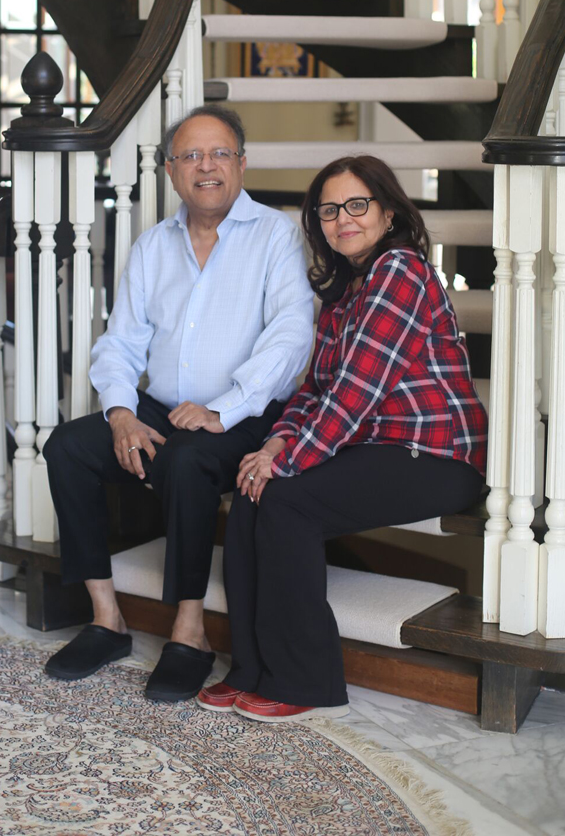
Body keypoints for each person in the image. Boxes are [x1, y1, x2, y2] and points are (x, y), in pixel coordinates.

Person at [197, 154, 487, 722]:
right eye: (329, 210)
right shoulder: (346, 290)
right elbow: (314, 390)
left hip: (436, 454)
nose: (342, 220)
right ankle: (252, 668)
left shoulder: (400, 271)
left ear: (387, 211)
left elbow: (356, 392)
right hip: (377, 448)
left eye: (358, 205)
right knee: (256, 490)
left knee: (285, 500)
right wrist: (275, 445)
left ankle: (305, 680)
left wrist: (288, 463)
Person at [43, 105, 315, 702]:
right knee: (65, 446)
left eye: (219, 153)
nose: (206, 166)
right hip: (161, 410)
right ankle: (105, 619)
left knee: (190, 460)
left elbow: (293, 336)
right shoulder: (152, 247)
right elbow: (120, 342)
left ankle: (189, 633)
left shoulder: (276, 234)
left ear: (242, 164)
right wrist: (120, 412)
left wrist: (226, 406)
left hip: (244, 415)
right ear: (171, 171)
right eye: (191, 156)